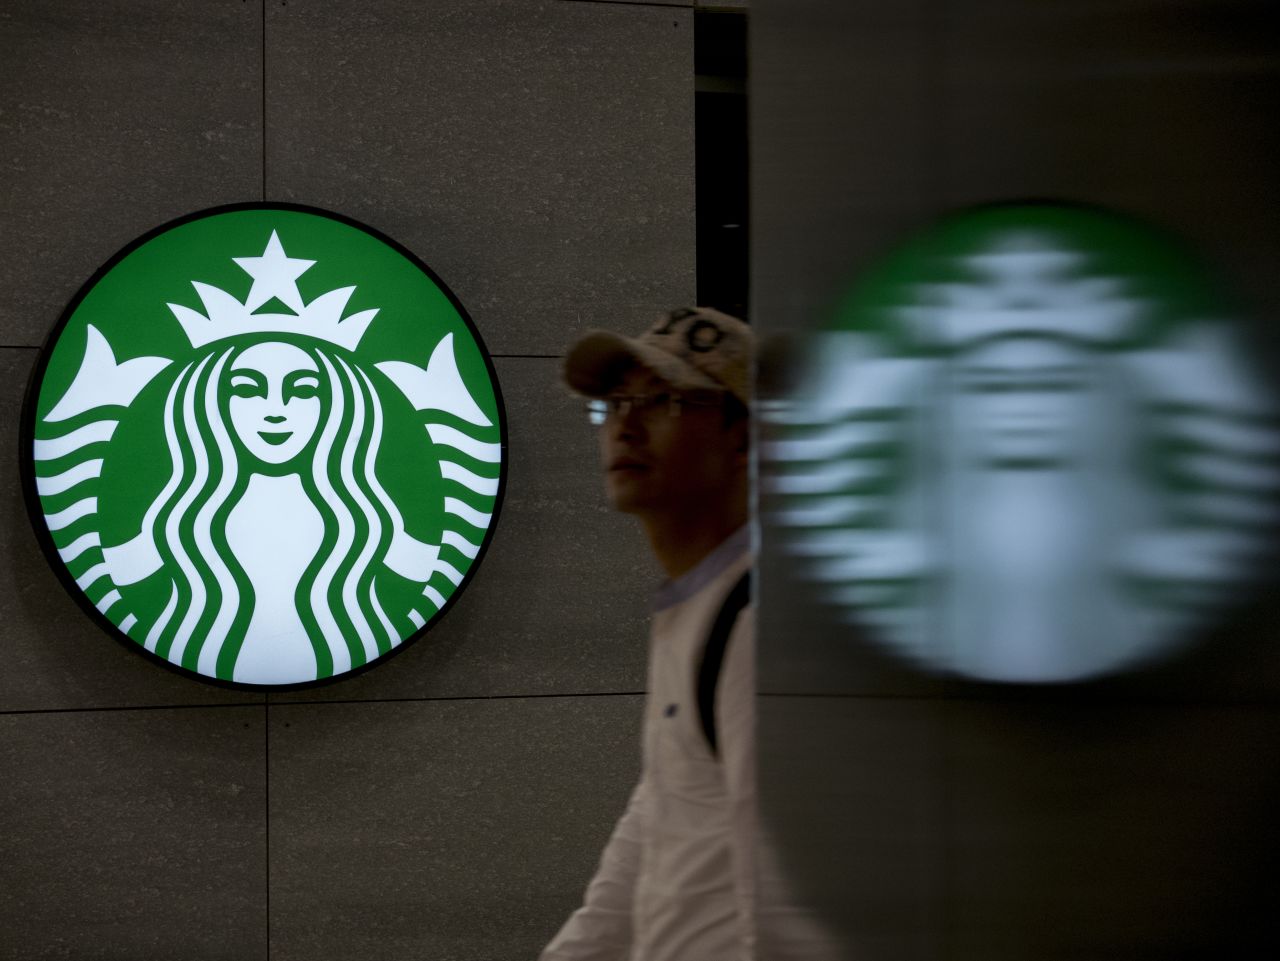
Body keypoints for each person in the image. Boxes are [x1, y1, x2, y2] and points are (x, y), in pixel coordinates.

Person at [541, 307, 755, 961]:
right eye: (614, 403)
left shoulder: (756, 628)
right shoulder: (696, 604)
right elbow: (648, 842)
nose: (624, 425)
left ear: (744, 436)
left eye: (661, 400)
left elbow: (788, 903)